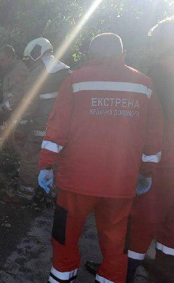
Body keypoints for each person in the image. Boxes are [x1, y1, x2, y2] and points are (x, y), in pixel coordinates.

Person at [38, 33, 163, 283]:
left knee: (65, 235)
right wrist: (147, 170)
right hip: (121, 182)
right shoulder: (145, 84)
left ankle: (62, 277)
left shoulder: (75, 80)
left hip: (76, 181)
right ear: (123, 54)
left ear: (91, 56)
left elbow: (57, 127)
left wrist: (46, 165)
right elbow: (153, 132)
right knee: (117, 242)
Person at [86, 17, 174, 283]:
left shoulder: (159, 72)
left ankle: (122, 271)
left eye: (156, 41)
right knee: (170, 227)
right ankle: (163, 275)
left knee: (139, 221)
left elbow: (146, 120)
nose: (153, 47)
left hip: (163, 161)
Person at [7, 38, 69, 203]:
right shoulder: (66, 70)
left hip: (42, 125)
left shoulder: (38, 73)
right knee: (56, 157)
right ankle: (52, 192)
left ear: (36, 53)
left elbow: (30, 102)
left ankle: (25, 193)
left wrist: (20, 125)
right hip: (63, 127)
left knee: (30, 157)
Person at [0, 44, 29, 131]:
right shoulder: (12, 68)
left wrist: (3, 108)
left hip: (20, 115)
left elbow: (17, 95)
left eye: (2, 60)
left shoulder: (19, 71)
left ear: (10, 57)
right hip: (13, 112)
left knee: (16, 140)